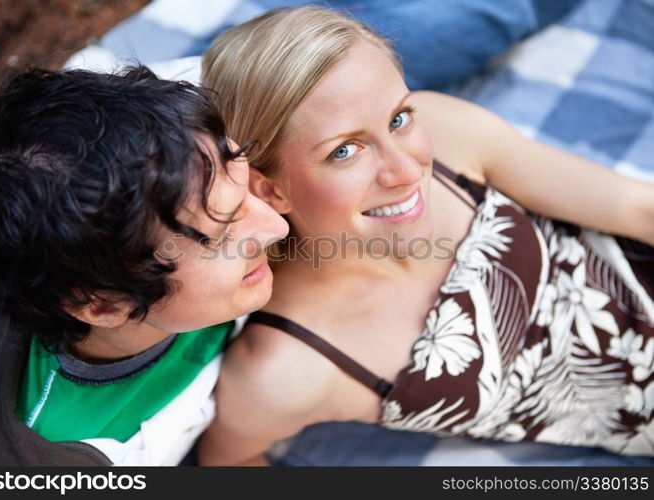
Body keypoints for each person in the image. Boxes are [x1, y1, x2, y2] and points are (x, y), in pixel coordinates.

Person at [197, 6, 654, 465]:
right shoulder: (288, 369)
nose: (406, 169)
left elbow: (637, 209)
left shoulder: (446, 132)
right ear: (271, 190)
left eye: (398, 119)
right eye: (345, 151)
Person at [0, 66, 288, 465]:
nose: (277, 225)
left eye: (246, 181)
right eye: (221, 235)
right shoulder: (51, 454)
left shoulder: (181, 146)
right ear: (105, 305)